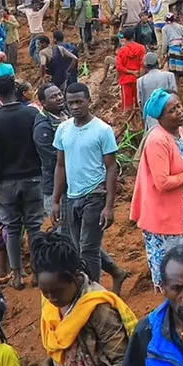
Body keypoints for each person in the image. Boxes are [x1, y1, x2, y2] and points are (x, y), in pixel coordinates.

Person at [32, 232, 137, 366]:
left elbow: (120, 360)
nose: (51, 298)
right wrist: (49, 362)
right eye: (45, 292)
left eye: (57, 291)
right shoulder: (52, 303)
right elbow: (60, 338)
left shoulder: (98, 308)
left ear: (75, 277)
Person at [52, 83, 126, 288]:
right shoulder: (63, 130)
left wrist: (109, 206)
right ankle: (116, 271)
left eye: (79, 102)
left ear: (89, 101)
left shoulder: (102, 130)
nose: (75, 107)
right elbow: (60, 165)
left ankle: (94, 294)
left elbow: (111, 168)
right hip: (71, 195)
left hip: (95, 193)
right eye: (71, 103)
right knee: (80, 246)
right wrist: (56, 200)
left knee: (87, 250)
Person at [132, 90, 183, 290]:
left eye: (179, 106)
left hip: (182, 213)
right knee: (173, 274)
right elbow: (162, 182)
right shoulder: (157, 141)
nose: (179, 112)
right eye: (172, 110)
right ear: (160, 118)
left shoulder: (179, 132)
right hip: (164, 219)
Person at [0, 76, 45, 290]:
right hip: (33, 178)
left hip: (7, 182)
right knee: (35, 226)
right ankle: (38, 272)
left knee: (12, 228)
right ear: (16, 90)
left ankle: (17, 274)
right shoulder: (31, 114)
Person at [137, 54, 177, 133]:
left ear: (145, 66)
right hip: (170, 116)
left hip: (151, 119)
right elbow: (175, 95)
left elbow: (140, 102)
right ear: (157, 63)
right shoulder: (169, 76)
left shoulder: (140, 81)